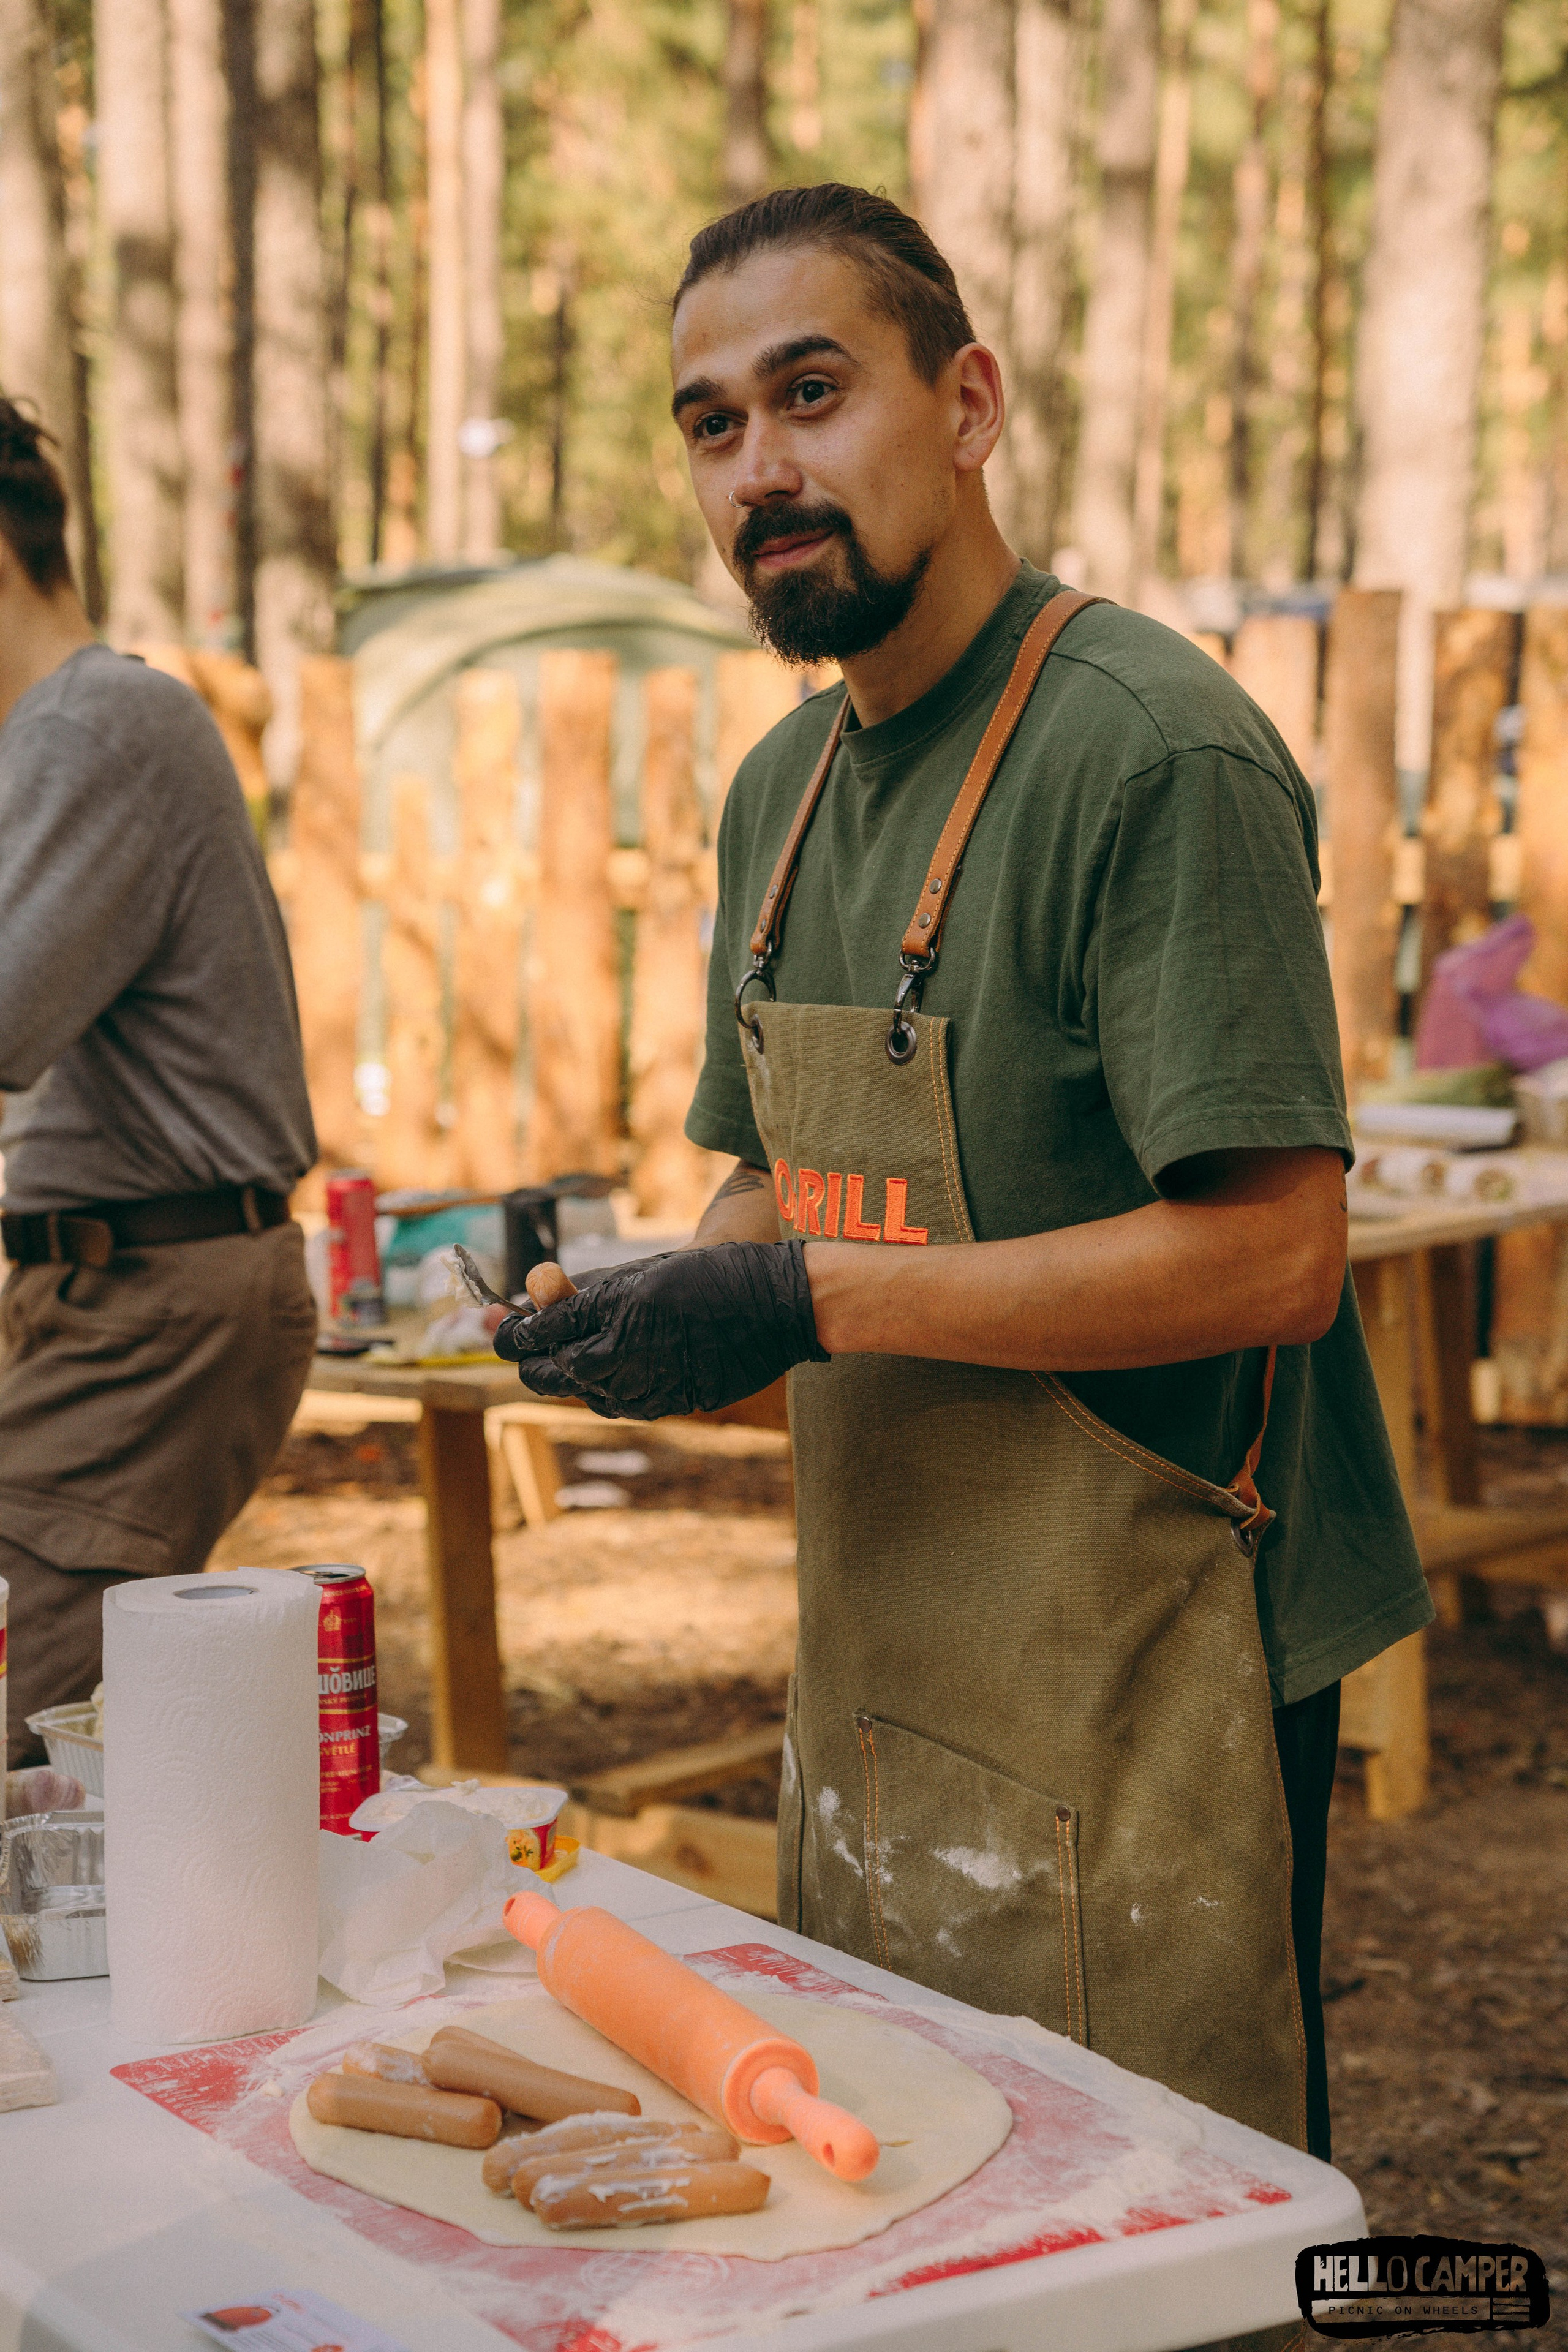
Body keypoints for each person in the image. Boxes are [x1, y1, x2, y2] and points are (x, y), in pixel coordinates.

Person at [488, 186, 1432, 2168]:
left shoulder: (1152, 752)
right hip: (887, 1644)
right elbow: (778, 1193)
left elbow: (1278, 1257)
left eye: (813, 394)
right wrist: (675, 1302)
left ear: (970, 404)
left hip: (1163, 1642)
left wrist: (812, 1297)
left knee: (1159, 2222)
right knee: (906, 2190)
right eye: (714, 425)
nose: (763, 469)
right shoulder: (785, 791)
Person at [0, 400, 318, 1765]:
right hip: (104, 1292)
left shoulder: (95, 727)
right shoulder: (61, 734)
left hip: (151, 1301)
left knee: (28, 1746)